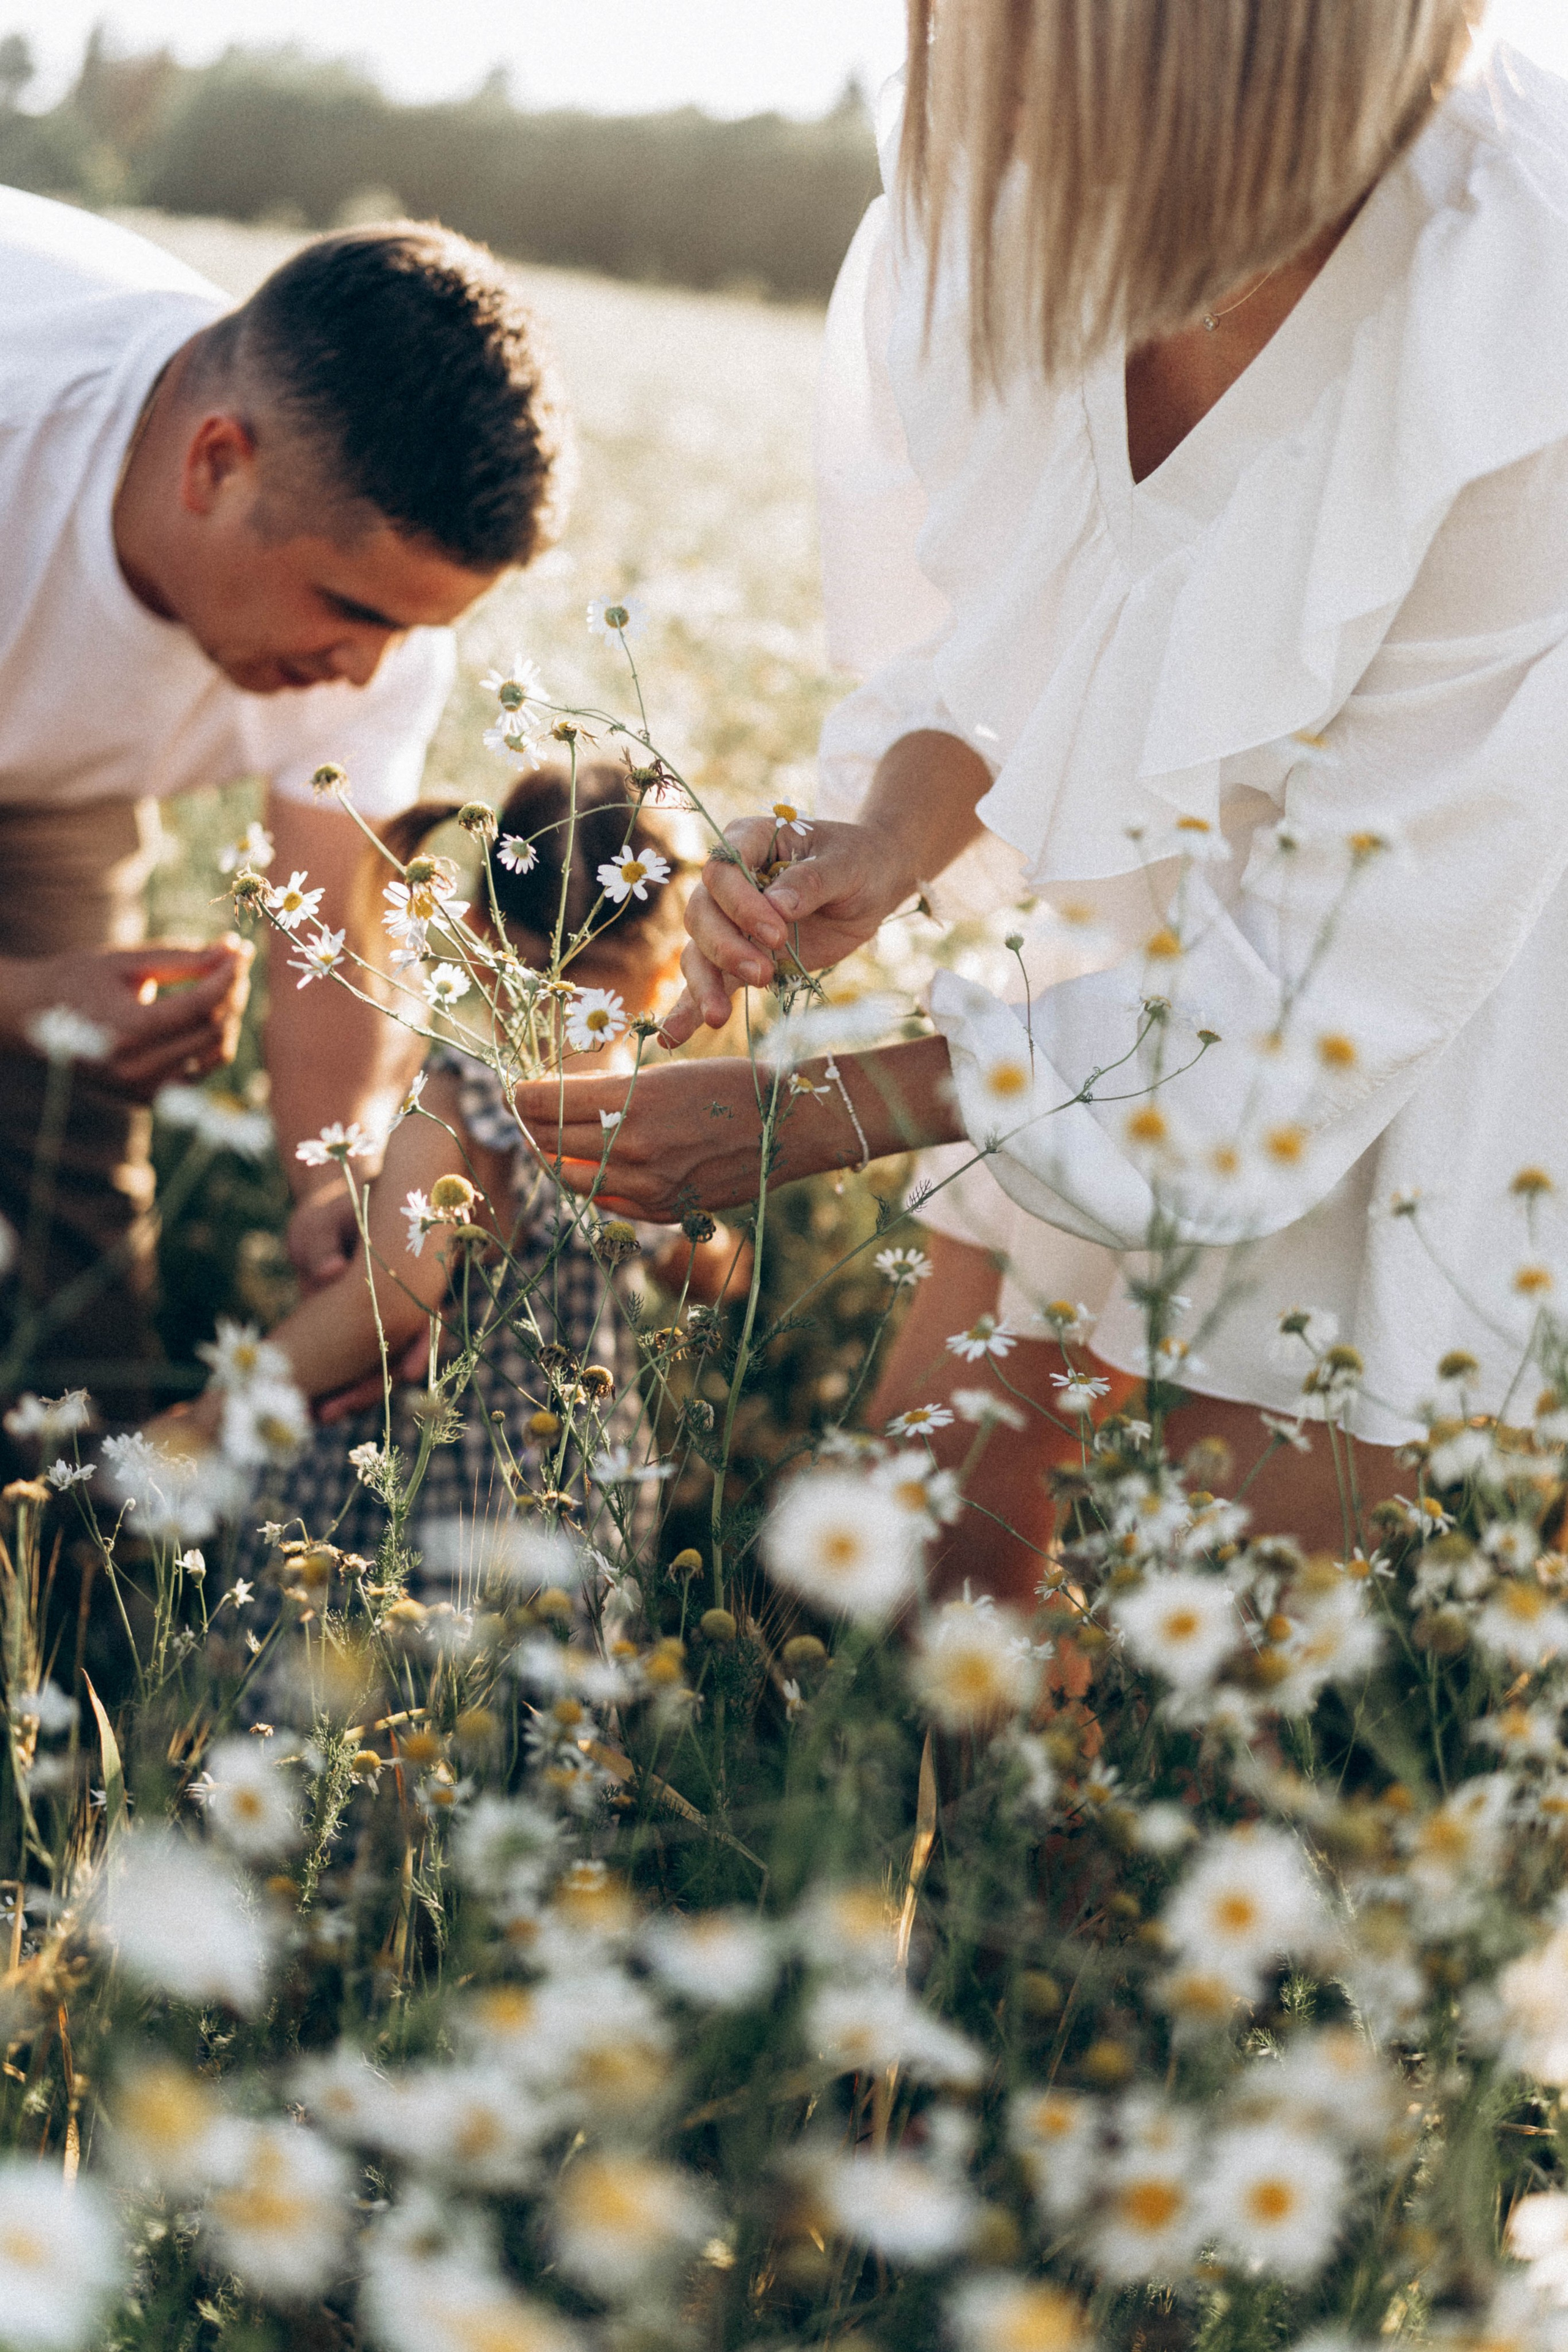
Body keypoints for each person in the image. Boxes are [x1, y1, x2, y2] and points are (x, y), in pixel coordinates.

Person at [512, 0, 1568, 1571]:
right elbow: (1012, 635)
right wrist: (887, 832)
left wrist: (827, 1111)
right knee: (932, 1566)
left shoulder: (1514, 305)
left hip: (1441, 960)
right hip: (1115, 965)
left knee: (1193, 1641)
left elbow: (1344, 965)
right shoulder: (976, 169)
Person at [0, 190, 564, 1406]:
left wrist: (334, 1174)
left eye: (411, 630)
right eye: (351, 611)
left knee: (72, 1109)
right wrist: (20, 995)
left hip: (50, 771)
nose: (365, 670)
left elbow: (332, 944)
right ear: (214, 463)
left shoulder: (382, 635)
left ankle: (87, 1497)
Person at [147, 764, 747, 1561]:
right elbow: (716, 1274)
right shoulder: (647, 1126)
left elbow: (392, 1300)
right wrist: (697, 1235)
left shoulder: (463, 1100)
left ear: (478, 934)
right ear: (674, 968)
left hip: (428, 1484)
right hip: (571, 1486)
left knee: (368, 1673)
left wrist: (211, 1415)